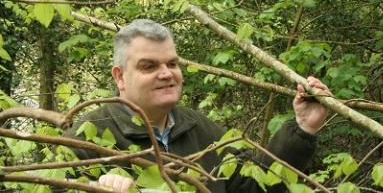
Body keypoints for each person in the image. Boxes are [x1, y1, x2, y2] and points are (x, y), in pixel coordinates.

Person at [64, 19, 330, 192]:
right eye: (149, 66)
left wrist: (302, 129)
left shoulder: (202, 130)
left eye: (172, 63)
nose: (167, 73)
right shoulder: (84, 142)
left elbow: (254, 186)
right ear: (120, 76)